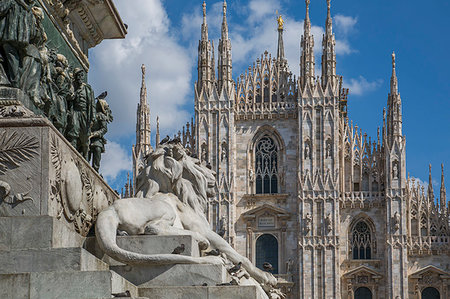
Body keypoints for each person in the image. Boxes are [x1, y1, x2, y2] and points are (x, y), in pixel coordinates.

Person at [66, 69, 95, 159]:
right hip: (75, 111)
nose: (80, 77)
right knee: (73, 131)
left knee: (85, 135)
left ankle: (85, 156)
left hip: (84, 113)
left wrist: (93, 117)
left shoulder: (88, 89)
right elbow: (68, 96)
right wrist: (71, 96)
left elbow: (92, 103)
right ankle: (72, 153)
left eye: (81, 75)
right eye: (78, 75)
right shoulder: (72, 86)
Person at [89, 97, 112, 172]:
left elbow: (104, 129)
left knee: (97, 150)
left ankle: (95, 170)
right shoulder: (91, 114)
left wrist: (95, 134)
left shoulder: (101, 116)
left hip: (97, 139)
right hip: (88, 137)